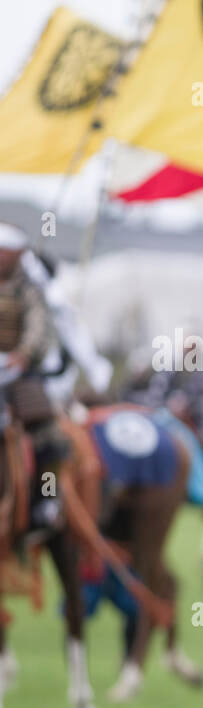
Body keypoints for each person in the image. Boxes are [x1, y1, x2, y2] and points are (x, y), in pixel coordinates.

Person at [0, 223, 64, 531]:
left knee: (49, 437)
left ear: (17, 255)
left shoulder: (29, 289)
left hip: (17, 375)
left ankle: (46, 500)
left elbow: (39, 329)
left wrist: (22, 354)